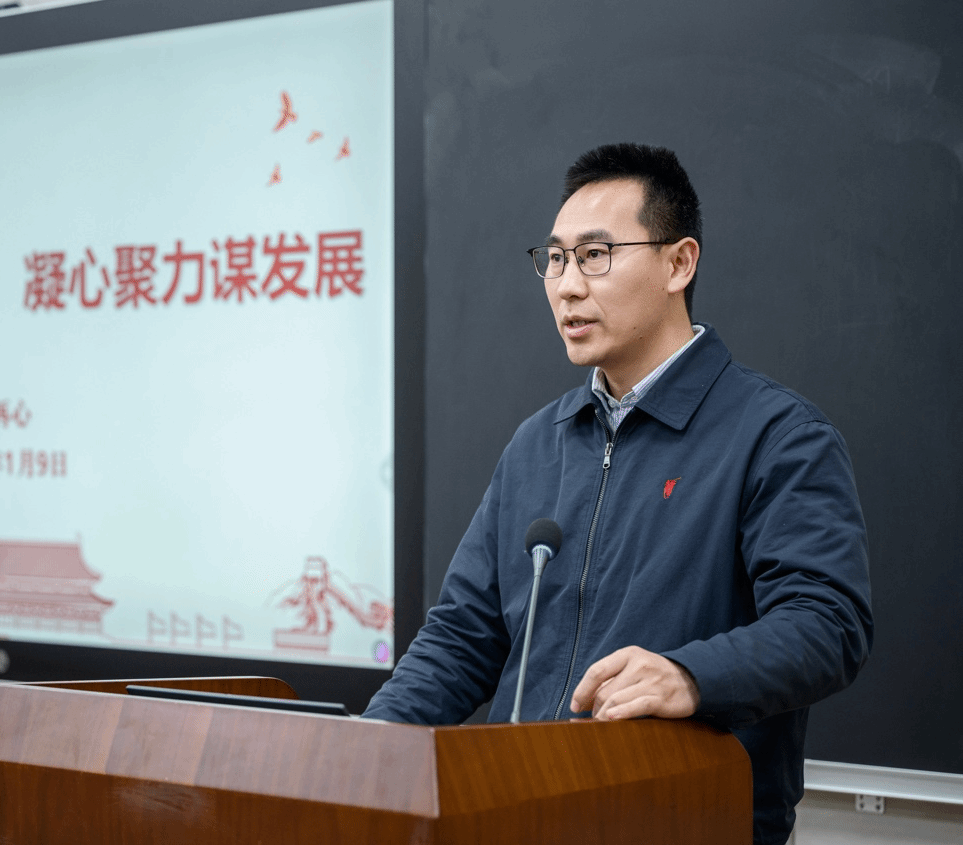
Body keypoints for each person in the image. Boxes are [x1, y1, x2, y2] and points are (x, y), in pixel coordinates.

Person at [362, 143, 874, 845]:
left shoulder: (778, 436)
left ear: (678, 263)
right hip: (514, 813)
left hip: (680, 820)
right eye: (555, 259)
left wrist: (690, 676)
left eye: (595, 255)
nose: (567, 286)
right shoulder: (538, 444)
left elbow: (827, 624)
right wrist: (365, 749)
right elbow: (461, 637)